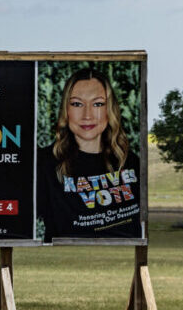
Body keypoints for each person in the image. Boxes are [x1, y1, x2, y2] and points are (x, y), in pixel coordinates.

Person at [37, 69, 142, 241]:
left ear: (110, 110)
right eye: (77, 104)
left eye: (98, 104)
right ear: (66, 110)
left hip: (119, 260)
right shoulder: (44, 163)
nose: (87, 115)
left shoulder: (130, 162)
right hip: (63, 263)